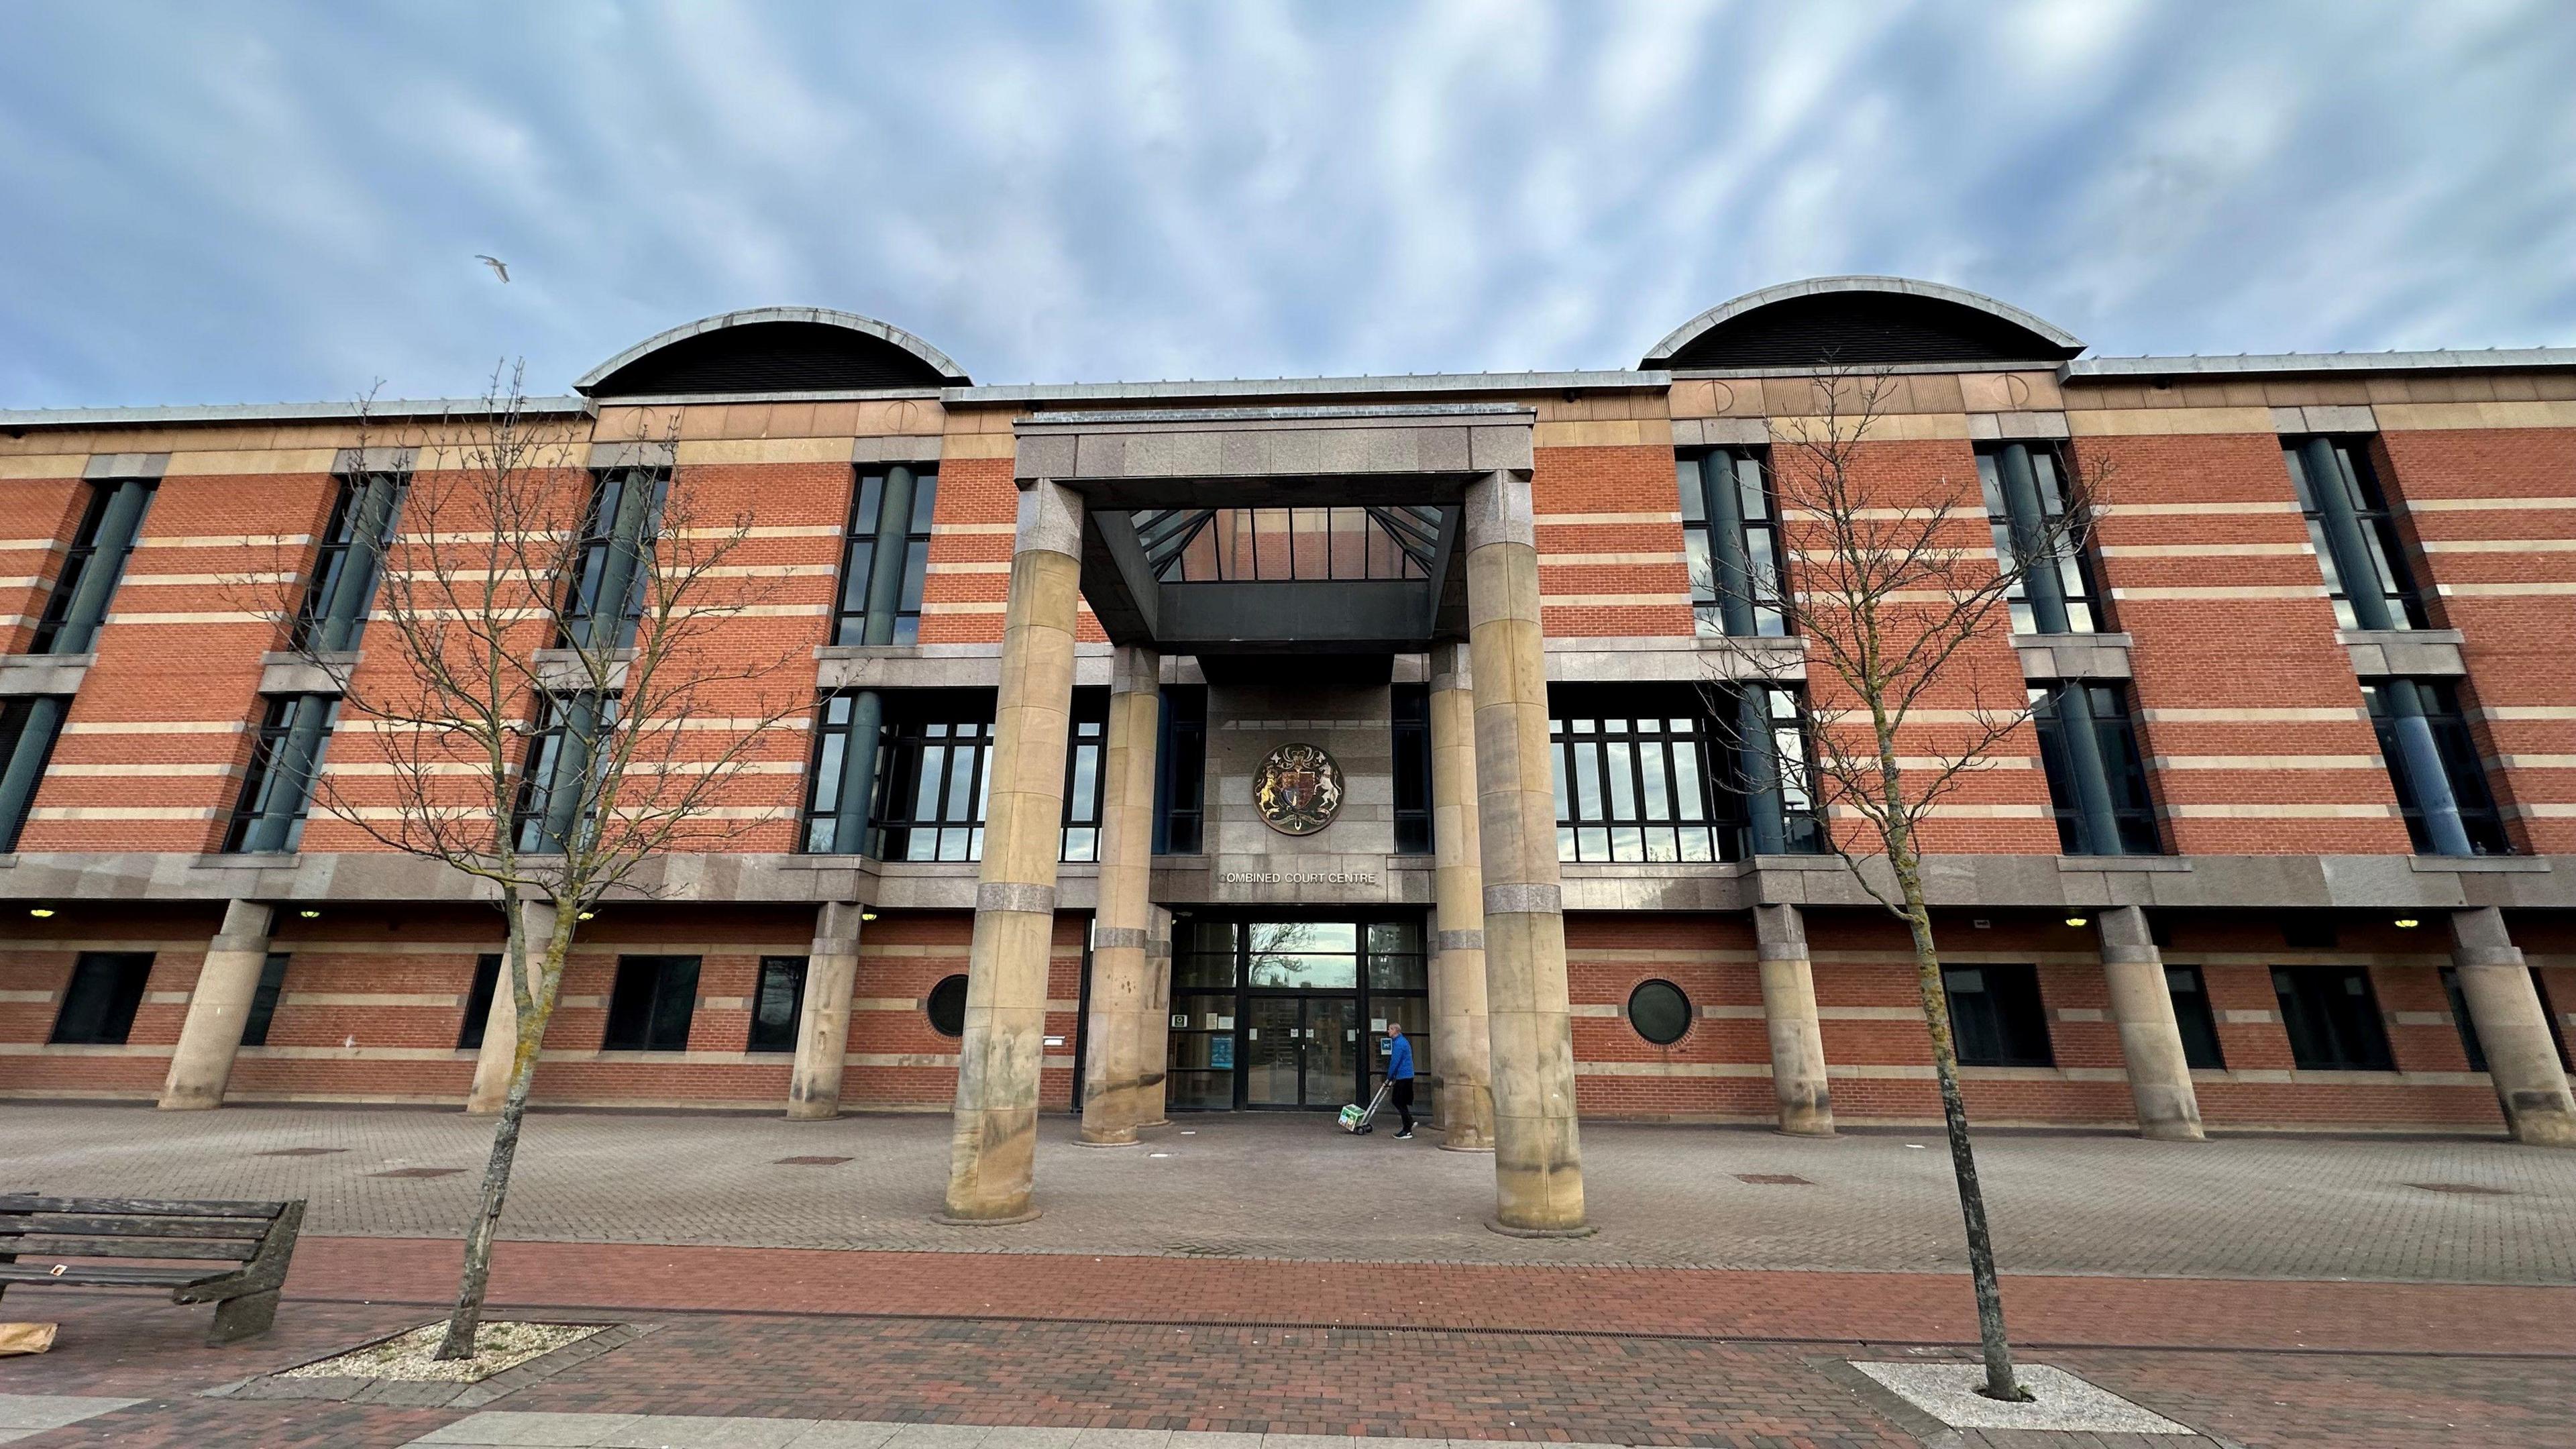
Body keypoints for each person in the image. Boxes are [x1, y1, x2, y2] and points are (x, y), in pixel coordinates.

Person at [1383, 1021, 1415, 1139]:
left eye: (1390, 1029)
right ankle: (1409, 1122)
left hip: (1404, 1076)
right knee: (1400, 1101)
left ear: (1396, 1031)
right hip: (1405, 1076)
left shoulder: (1399, 1044)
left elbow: (1395, 1061)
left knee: (1397, 1101)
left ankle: (1407, 1128)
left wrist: (1389, 1077)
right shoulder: (1401, 1042)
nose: (1388, 1031)